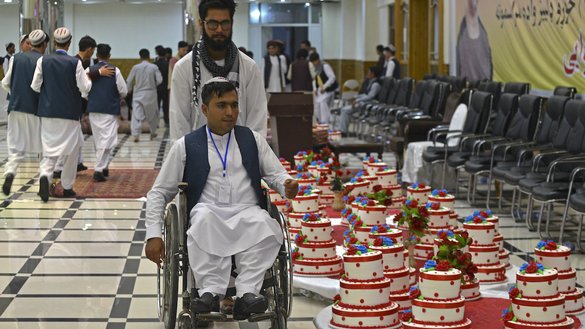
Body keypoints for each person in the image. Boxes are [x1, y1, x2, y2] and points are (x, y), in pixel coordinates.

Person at [144, 78, 298, 319]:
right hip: (208, 212)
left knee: (266, 226)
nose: (230, 112)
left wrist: (286, 184)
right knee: (203, 220)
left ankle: (248, 293)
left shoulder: (252, 140)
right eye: (222, 105)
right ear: (204, 109)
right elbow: (159, 192)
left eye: (234, 105)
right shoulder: (186, 145)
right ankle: (209, 292)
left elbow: (276, 173)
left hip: (248, 211)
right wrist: (153, 234)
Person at [169, 0, 268, 141]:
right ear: (201, 24)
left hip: (240, 156)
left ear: (232, 24)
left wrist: (249, 156)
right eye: (213, 24)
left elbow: (257, 123)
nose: (219, 30)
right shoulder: (184, 68)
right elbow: (179, 124)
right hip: (199, 157)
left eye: (225, 23)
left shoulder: (249, 67)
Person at [30, 27, 92, 202]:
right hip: (69, 113)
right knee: (72, 149)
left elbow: (35, 86)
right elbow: (84, 88)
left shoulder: (43, 60)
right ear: (70, 42)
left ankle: (45, 175)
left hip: (47, 112)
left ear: (54, 42)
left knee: (50, 149)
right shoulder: (75, 63)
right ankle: (66, 187)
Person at [0, 30, 49, 195]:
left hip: (15, 107)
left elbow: (5, 83)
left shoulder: (16, 58)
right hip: (37, 110)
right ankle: (44, 177)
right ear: (44, 44)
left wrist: (16, 92)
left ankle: (10, 172)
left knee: (15, 146)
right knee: (44, 147)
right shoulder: (45, 60)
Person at [84, 44, 128, 182]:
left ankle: (104, 167)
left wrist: (92, 98)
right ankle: (98, 169)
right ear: (109, 56)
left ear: (96, 56)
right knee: (107, 139)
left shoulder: (88, 70)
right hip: (109, 109)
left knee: (99, 139)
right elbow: (123, 91)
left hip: (93, 109)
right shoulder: (115, 71)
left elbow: (84, 91)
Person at [126, 48, 163, 142]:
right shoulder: (154, 67)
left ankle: (136, 135)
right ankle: (153, 132)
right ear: (149, 56)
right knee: (153, 114)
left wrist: (128, 90)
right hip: (151, 93)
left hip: (138, 93)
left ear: (140, 57)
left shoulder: (135, 67)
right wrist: (153, 84)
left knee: (136, 114)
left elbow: (129, 80)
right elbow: (160, 80)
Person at [336, 66, 382, 133]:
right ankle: (342, 129)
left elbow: (370, 96)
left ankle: (343, 131)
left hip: (369, 104)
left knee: (345, 111)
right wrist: (355, 97)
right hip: (364, 103)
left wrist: (357, 100)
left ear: (373, 74)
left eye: (368, 72)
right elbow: (365, 95)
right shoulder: (370, 82)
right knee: (344, 109)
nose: (367, 74)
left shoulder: (376, 84)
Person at [456, 0, 492, 82]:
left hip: (484, 84)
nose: (472, 3)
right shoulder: (462, 34)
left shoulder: (484, 33)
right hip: (467, 84)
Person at [309, 52, 337, 124]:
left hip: (328, 91)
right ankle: (321, 123)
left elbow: (332, 77)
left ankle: (325, 124)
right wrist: (315, 89)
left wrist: (324, 87)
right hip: (320, 92)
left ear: (317, 60)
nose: (313, 64)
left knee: (324, 109)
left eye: (314, 62)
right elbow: (315, 79)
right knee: (319, 109)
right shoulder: (316, 68)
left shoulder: (325, 66)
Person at [154, 47, 170, 126]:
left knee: (156, 105)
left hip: (156, 88)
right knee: (165, 105)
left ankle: (156, 123)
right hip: (165, 87)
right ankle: (166, 121)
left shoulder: (155, 64)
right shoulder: (167, 64)